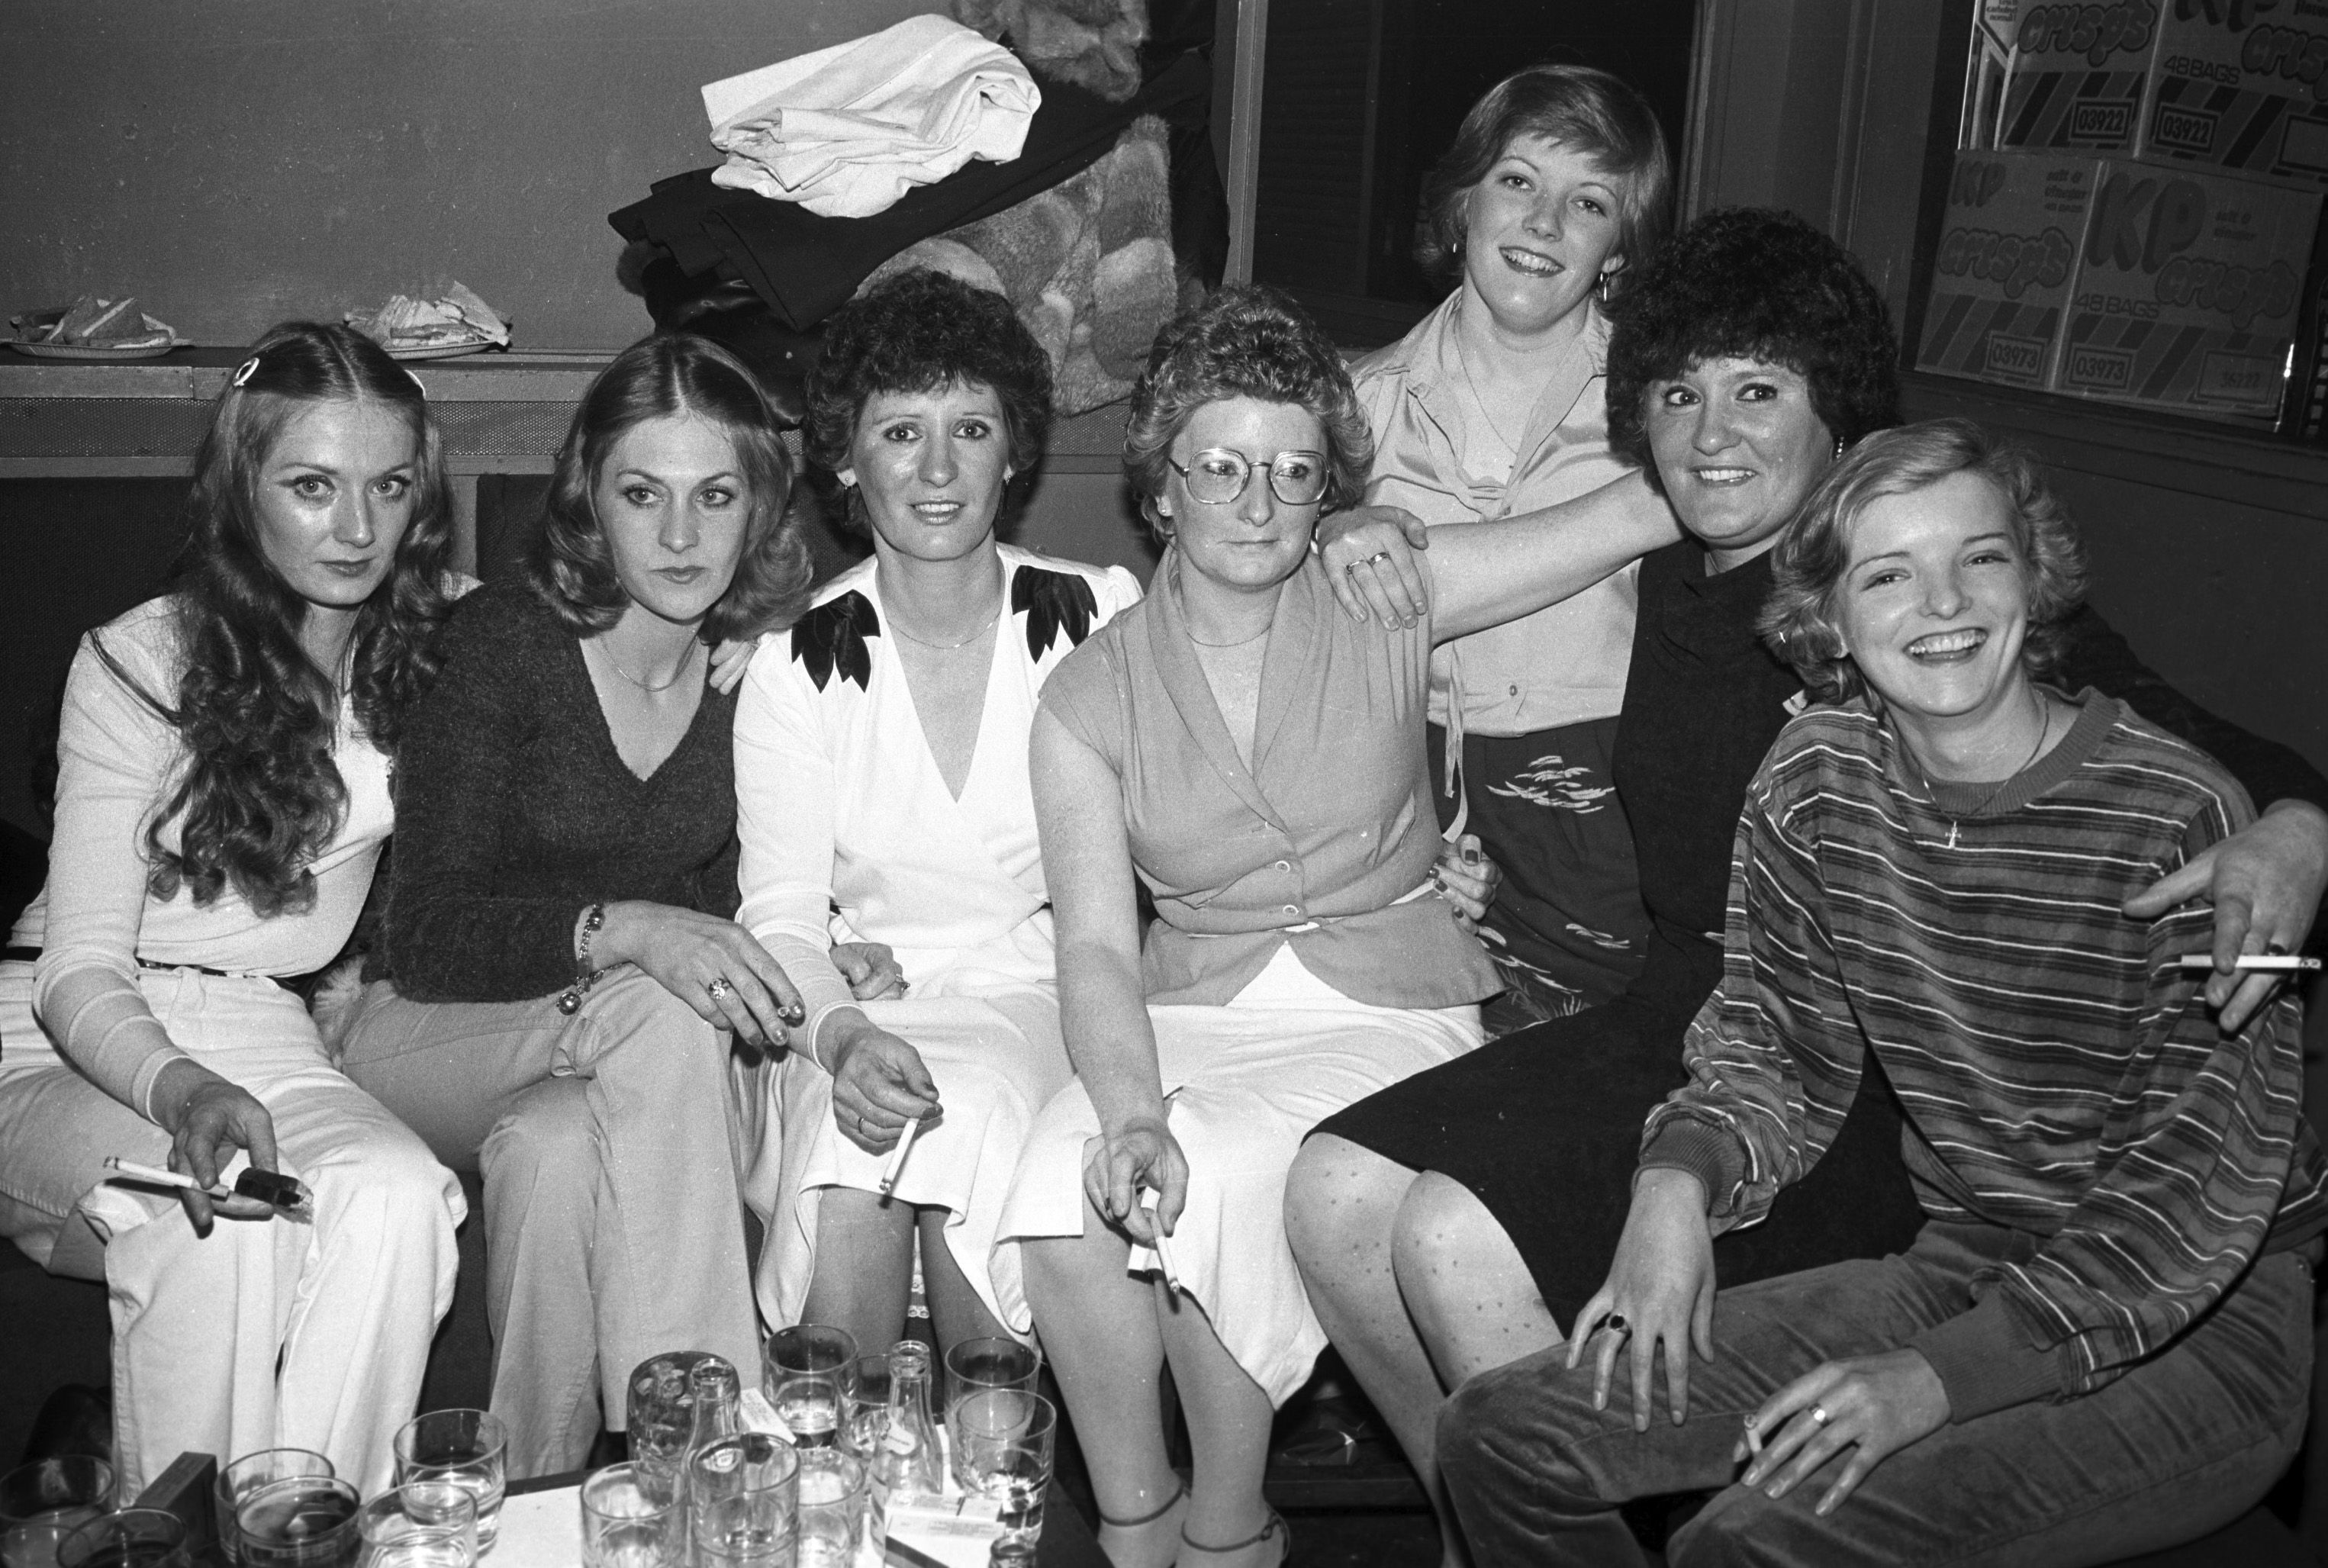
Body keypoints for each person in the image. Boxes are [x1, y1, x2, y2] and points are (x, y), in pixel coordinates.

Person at [1287, 208, 2328, 1566]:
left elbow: (2177, 773)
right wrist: (1358, 523)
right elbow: (1439, 595)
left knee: (1454, 1239)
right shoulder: (1718, 631)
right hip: (1730, 1030)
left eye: (1759, 391)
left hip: (1928, 1115)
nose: (1713, 431)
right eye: (1679, 394)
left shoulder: (1951, 637)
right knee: (1340, 1202)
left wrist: (2295, 825)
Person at [993, 285, 1680, 1568]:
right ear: (1162, 486)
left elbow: (1626, 512)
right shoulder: (1088, 695)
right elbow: (1093, 945)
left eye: (1294, 470)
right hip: (1192, 1012)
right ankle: (1138, 1525)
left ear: (1327, 489)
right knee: (1053, 1194)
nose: (1257, 501)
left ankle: (1228, 1524)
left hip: (1385, 1005)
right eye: (1224, 466)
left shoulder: (1384, 592)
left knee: (1220, 1177)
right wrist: (1131, 1108)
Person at [339, 333, 855, 1476]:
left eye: (714, 496)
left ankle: (536, 1488)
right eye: (642, 493)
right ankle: (713, 1452)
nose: (679, 535)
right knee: (664, 1004)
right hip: (430, 1028)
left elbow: (730, 894)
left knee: (558, 1147)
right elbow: (422, 933)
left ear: (759, 507)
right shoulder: (504, 645)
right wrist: (616, 926)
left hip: (595, 1064)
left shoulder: (755, 671)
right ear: (590, 499)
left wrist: (815, 951)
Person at [0, 322, 466, 1496]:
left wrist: (734, 644)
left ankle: (305, 1517)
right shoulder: (143, 656)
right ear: (242, 487)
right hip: (62, 1035)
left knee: (400, 1197)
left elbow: (617, 613)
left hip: (268, 1028)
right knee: (223, 1219)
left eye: (389, 485)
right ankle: (184, 1526)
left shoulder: (438, 647)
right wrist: (186, 1088)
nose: (357, 527)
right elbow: (77, 968)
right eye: (312, 485)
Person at [733, 269, 1142, 1354]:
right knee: (850, 1141)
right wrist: (843, 1031)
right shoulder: (793, 663)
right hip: (857, 1007)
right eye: (898, 430)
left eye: (969, 427)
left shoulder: (1099, 614)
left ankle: (983, 1488)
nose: (936, 467)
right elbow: (778, 915)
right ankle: (836, 1493)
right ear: (842, 458)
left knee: (973, 1107)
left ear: (1012, 454)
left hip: (1045, 996)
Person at [1348, 63, 1673, 1029]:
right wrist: (1333, 522)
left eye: (1589, 203)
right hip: (1400, 807)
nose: (1543, 224)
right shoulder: (1359, 408)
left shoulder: (1665, 413)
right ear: (1462, 204)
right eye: (1518, 181)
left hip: (1601, 816)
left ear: (1619, 246)